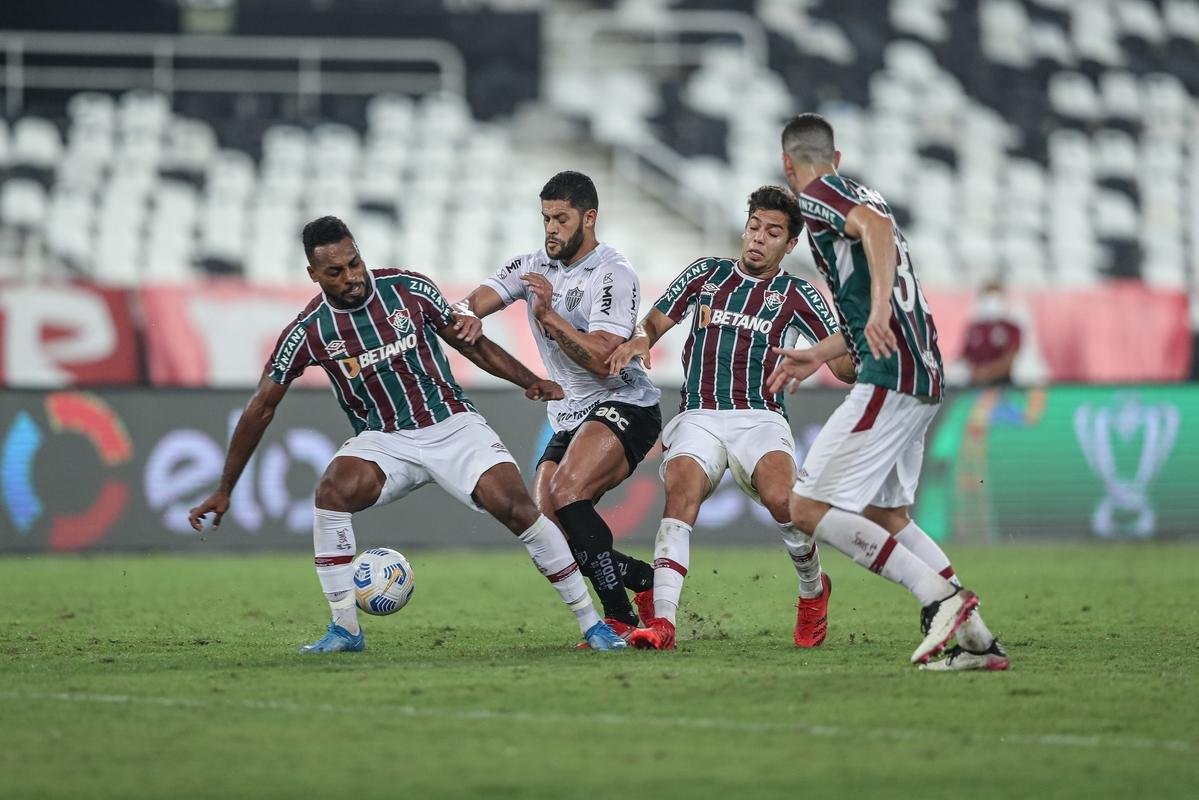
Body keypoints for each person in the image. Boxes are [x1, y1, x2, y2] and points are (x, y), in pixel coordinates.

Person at [187, 216, 627, 653]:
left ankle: (593, 625)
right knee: (331, 492)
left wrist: (529, 380)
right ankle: (345, 630)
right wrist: (225, 488)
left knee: (517, 507)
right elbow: (261, 407)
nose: (352, 277)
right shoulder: (309, 331)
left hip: (451, 424)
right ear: (313, 274)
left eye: (354, 263)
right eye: (336, 272)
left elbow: (468, 341)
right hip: (384, 440)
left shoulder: (407, 289)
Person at [770, 113, 1009, 670]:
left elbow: (874, 234)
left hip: (891, 372)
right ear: (839, 155)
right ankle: (977, 642)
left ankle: (940, 597)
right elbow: (872, 254)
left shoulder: (821, 193)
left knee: (804, 506)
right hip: (922, 371)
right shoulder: (860, 189)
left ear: (789, 165)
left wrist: (877, 312)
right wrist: (822, 352)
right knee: (886, 514)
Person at [606, 185, 857, 651]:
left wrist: (852, 341)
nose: (759, 238)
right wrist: (641, 339)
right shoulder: (706, 274)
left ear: (790, 244)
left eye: (773, 232)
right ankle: (663, 623)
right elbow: (653, 323)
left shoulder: (798, 293)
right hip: (699, 413)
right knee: (680, 492)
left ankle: (812, 592)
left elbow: (844, 369)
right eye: (754, 227)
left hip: (760, 417)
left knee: (785, 503)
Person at [453, 171, 661, 639]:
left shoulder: (613, 273)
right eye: (545, 217)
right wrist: (465, 319)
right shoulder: (530, 267)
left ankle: (620, 622)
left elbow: (607, 360)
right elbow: (470, 305)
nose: (550, 228)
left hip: (624, 403)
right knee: (547, 533)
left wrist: (548, 316)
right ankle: (642, 580)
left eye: (561, 218)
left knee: (568, 493)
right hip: (570, 416)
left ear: (589, 218)